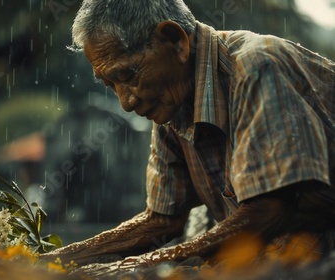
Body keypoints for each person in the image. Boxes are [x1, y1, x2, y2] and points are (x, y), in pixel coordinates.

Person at [41, 0, 335, 272]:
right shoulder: (171, 103)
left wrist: (133, 267)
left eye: (128, 76)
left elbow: (271, 208)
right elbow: (162, 220)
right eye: (110, 84)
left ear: (176, 41)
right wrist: (52, 261)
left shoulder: (256, 67)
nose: (126, 102)